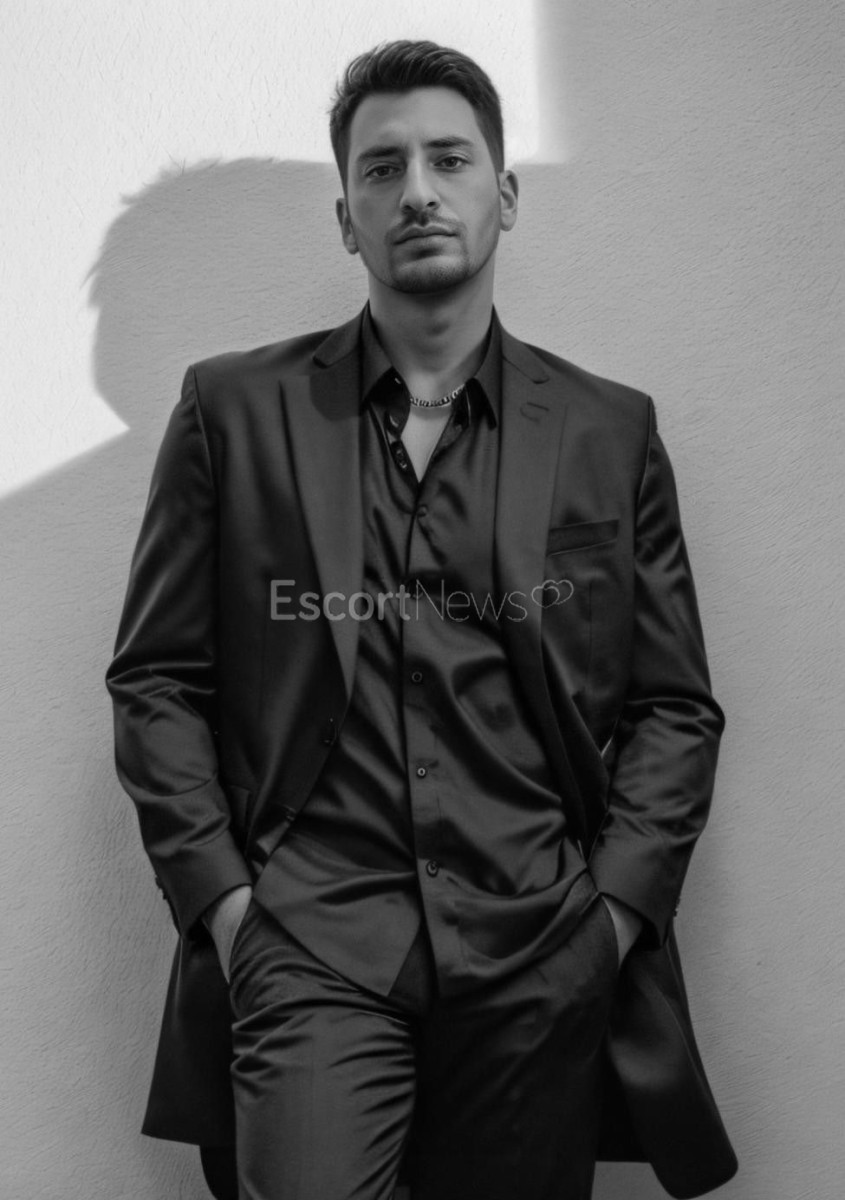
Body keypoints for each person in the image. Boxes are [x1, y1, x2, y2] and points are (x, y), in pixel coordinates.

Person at [106, 39, 737, 1200]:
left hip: (539, 948)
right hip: (310, 943)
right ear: (346, 219)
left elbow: (670, 706)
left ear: (505, 194)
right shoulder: (232, 412)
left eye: (449, 159)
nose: (417, 192)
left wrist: (608, 921)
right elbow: (157, 680)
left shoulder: (608, 432)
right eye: (381, 168)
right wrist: (231, 912)